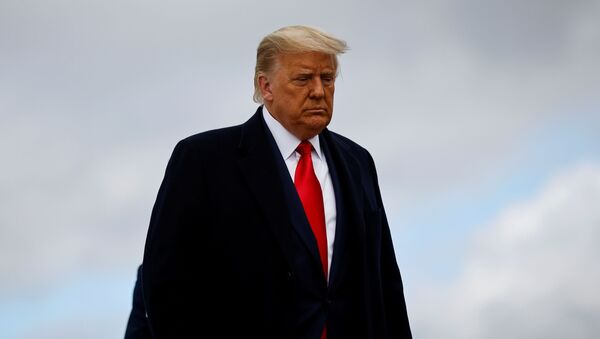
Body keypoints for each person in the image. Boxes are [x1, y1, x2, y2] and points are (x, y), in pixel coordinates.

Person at [132, 25, 412, 339]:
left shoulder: (358, 163)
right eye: (304, 79)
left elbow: (385, 284)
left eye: (328, 78)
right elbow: (166, 285)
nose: (319, 91)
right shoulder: (202, 161)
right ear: (266, 87)